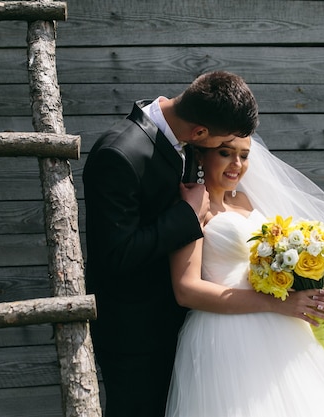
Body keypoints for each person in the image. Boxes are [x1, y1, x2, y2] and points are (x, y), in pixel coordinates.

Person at [165, 135, 324, 417]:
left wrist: (314, 287)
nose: (237, 164)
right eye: (225, 153)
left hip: (283, 326)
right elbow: (186, 289)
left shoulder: (246, 201)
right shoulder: (192, 205)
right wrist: (278, 304)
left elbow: (271, 265)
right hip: (227, 333)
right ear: (201, 156)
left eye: (244, 155)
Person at [82, 71, 261, 417]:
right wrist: (187, 215)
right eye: (222, 147)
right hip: (135, 336)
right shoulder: (118, 154)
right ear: (199, 134)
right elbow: (114, 255)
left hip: (186, 330)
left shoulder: (184, 141)